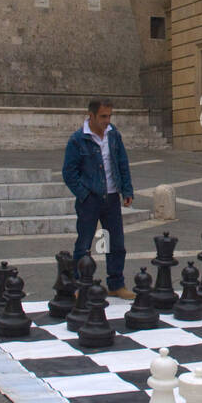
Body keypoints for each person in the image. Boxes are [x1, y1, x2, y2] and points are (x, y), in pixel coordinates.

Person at [62, 99, 135, 299]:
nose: (107, 120)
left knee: (116, 243)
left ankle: (116, 284)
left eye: (109, 116)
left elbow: (122, 163)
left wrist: (127, 190)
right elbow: (69, 172)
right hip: (90, 198)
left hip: (112, 197)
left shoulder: (114, 135)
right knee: (84, 243)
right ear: (91, 115)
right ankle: (80, 284)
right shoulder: (78, 139)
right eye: (103, 116)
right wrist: (84, 194)